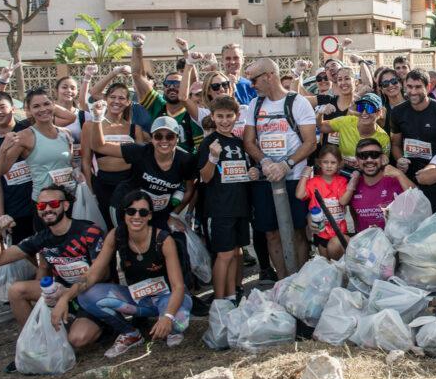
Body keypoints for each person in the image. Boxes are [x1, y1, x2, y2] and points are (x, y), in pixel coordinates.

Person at [54, 190, 192, 358]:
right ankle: (130, 333)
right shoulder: (116, 235)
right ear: (124, 213)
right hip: (138, 299)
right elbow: (92, 275)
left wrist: (168, 317)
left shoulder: (163, 240)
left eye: (143, 212)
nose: (136, 216)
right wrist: (65, 297)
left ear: (149, 216)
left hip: (167, 297)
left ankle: (170, 327)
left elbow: (178, 286)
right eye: (131, 211)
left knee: (180, 318)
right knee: (87, 295)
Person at [0, 186, 108, 370]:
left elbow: (101, 274)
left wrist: (68, 295)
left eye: (54, 204)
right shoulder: (41, 238)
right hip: (60, 291)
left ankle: (102, 326)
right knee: (16, 290)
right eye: (42, 205)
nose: (47, 209)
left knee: (77, 339)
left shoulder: (88, 231)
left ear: (65, 206)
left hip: (92, 293)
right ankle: (38, 343)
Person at [243, 57, 317, 279]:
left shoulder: (298, 103)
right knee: (271, 233)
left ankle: (300, 280)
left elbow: (310, 142)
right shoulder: (255, 105)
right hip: (266, 179)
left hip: (294, 178)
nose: (251, 86)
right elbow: (248, 141)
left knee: (296, 232)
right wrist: (265, 162)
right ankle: (284, 281)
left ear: (269, 76)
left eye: (253, 80)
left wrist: (287, 164)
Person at [198, 96, 256, 300]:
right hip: (219, 208)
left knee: (235, 252)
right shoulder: (208, 143)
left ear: (236, 116)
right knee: (223, 255)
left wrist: (253, 173)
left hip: (240, 206)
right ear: (212, 117)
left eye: (228, 116)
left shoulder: (239, 143)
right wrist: (213, 158)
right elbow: (205, 177)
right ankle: (219, 300)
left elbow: (244, 171)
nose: (224, 121)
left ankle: (231, 295)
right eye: (220, 116)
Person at [0, 88, 77, 212]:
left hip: (70, 199)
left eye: (46, 104)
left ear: (54, 105)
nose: (43, 109)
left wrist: (78, 172)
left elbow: (69, 163)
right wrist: (3, 149)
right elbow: (0, 171)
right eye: (36, 106)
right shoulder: (24, 136)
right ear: (29, 110)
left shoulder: (66, 133)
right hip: (45, 205)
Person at [80, 82, 143, 229]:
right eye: (112, 97)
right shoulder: (90, 125)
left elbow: (141, 161)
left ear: (128, 102)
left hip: (128, 183)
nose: (116, 101)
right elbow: (86, 160)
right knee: (106, 228)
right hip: (102, 184)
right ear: (105, 99)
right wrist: (90, 191)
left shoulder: (135, 128)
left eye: (121, 98)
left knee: (128, 227)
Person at [389, 68, 436, 208]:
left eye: (418, 87)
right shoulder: (398, 112)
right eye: (409, 87)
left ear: (428, 87)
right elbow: (395, 145)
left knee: (432, 219)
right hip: (409, 175)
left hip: (434, 177)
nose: (412, 91)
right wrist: (400, 159)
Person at [130, 33, 199, 154]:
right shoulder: (157, 105)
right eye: (168, 83)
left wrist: (186, 52)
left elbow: (194, 83)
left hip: (185, 166)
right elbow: (137, 76)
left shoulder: (192, 110)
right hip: (159, 164)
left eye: (177, 84)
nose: (172, 87)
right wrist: (137, 47)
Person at [0, 92, 35, 246]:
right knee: (24, 262)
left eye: (2, 107)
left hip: (42, 206)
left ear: (13, 108)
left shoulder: (30, 130)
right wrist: (1, 217)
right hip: (15, 213)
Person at [342, 137, 416, 232]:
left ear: (382, 158)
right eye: (363, 156)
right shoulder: (353, 185)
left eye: (374, 155)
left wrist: (399, 174)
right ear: (357, 160)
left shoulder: (395, 179)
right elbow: (353, 215)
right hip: (365, 242)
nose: (369, 160)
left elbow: (418, 201)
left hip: (394, 242)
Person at [297, 145, 350, 259]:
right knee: (326, 263)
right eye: (325, 162)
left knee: (340, 262)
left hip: (339, 230)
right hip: (321, 231)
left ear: (339, 164)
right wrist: (304, 175)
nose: (329, 166)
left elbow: (344, 200)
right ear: (319, 163)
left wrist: (352, 185)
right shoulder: (313, 182)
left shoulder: (342, 181)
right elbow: (300, 195)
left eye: (333, 162)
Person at [316, 92, 390, 172]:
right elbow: (321, 127)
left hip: (367, 176)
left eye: (369, 108)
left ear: (379, 113)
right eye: (361, 108)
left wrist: (365, 163)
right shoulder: (346, 121)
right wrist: (320, 112)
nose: (364, 113)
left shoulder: (383, 137)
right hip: (342, 173)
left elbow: (383, 164)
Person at [376, 68, 405, 135]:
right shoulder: (381, 112)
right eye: (385, 83)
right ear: (382, 89)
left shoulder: (413, 104)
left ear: (400, 84)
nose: (390, 85)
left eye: (394, 81)